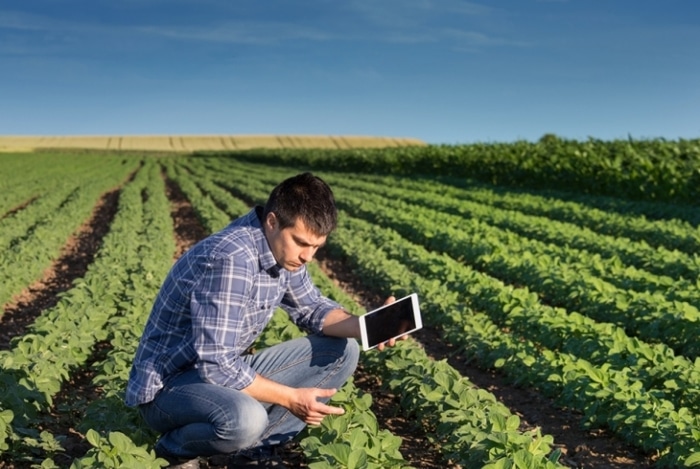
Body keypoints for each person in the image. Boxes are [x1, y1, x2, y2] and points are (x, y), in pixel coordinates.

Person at [125, 172, 401, 469]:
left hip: (217, 375)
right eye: (301, 242)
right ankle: (174, 450)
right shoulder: (232, 258)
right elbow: (217, 367)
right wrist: (291, 398)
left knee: (343, 350)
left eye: (316, 247)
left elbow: (313, 308)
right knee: (246, 418)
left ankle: (249, 451)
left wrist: (369, 325)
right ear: (272, 221)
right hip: (170, 390)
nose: (308, 256)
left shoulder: (282, 252)